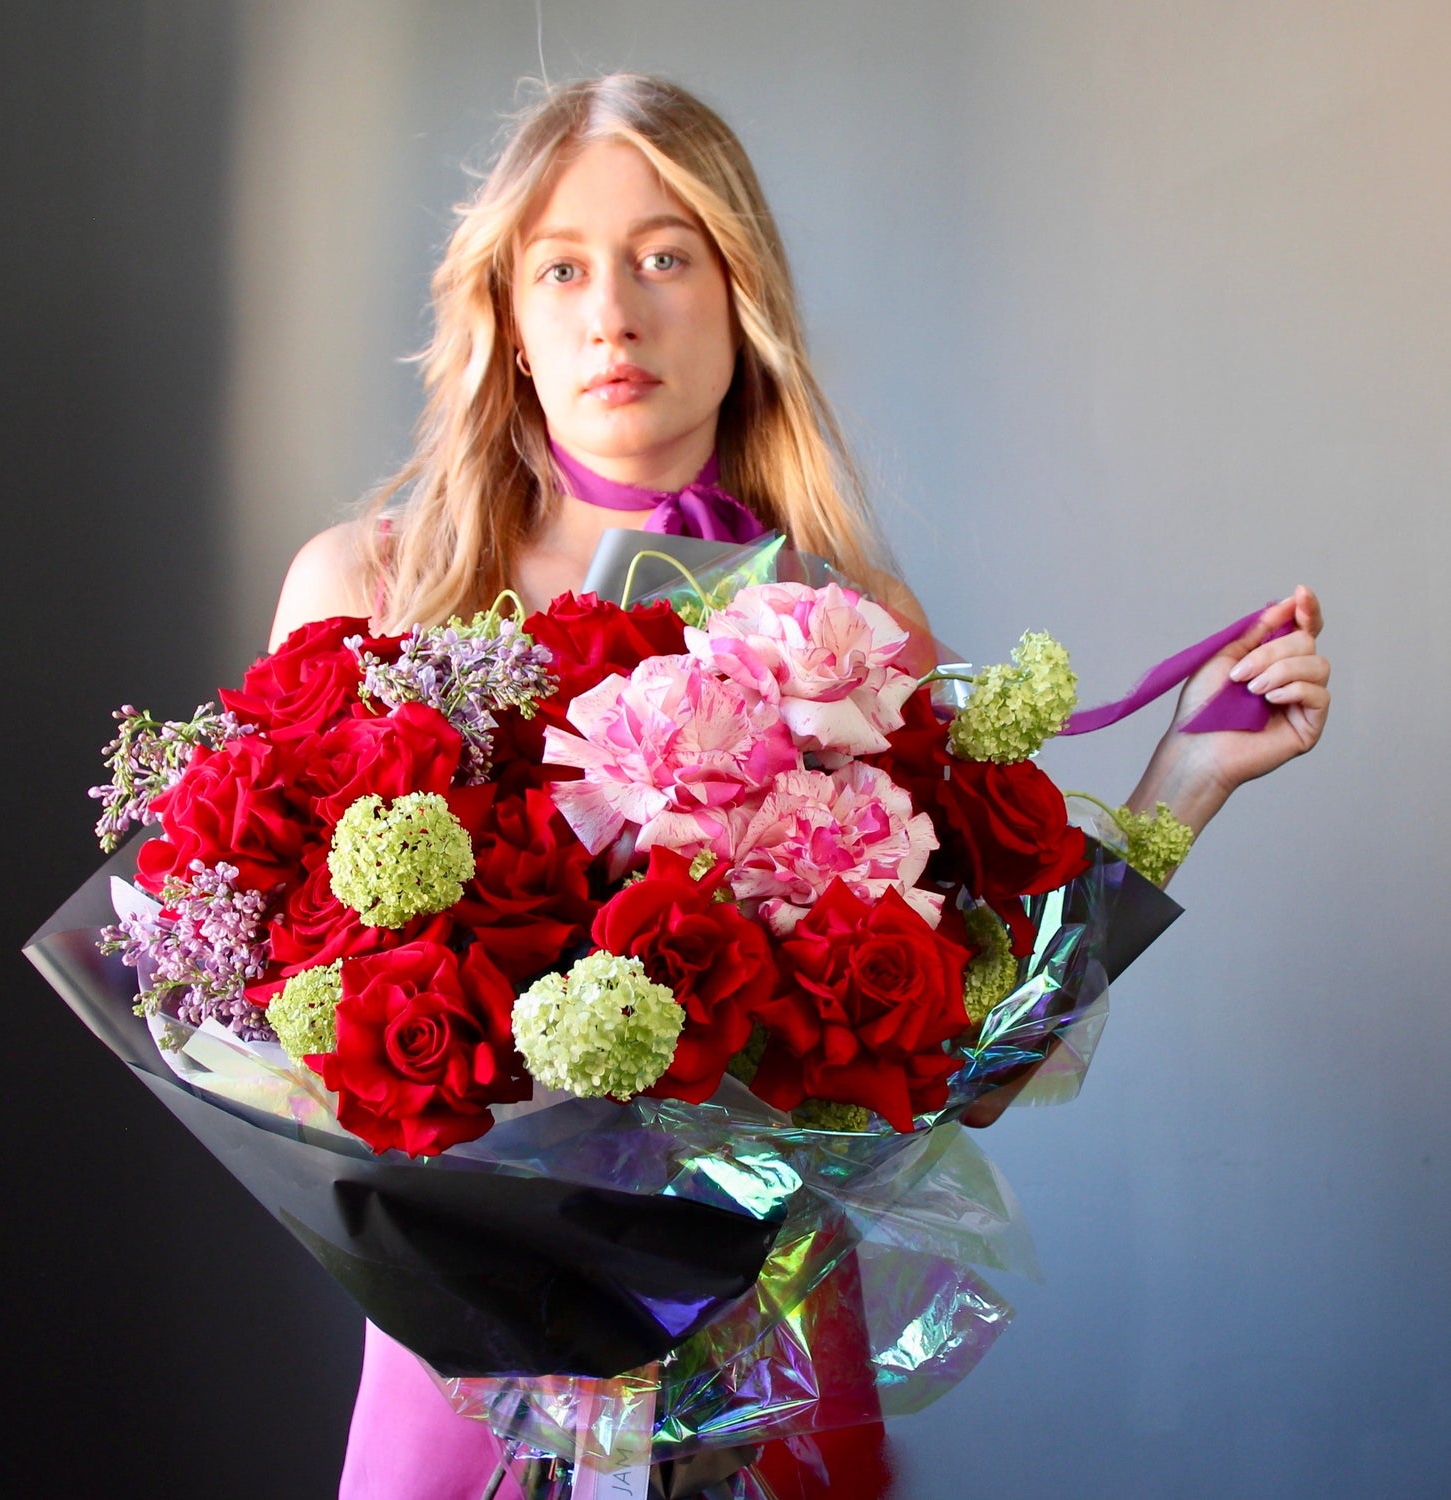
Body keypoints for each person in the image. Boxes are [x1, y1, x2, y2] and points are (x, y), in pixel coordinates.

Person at [266, 73, 1331, 1500]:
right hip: (473, 1369)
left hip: (765, 1348)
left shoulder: (848, 625)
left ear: (738, 289)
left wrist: (1185, 782)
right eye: (561, 268)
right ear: (508, 316)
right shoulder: (369, 592)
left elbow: (972, 1064)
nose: (612, 312)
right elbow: (272, 1024)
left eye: (664, 255)